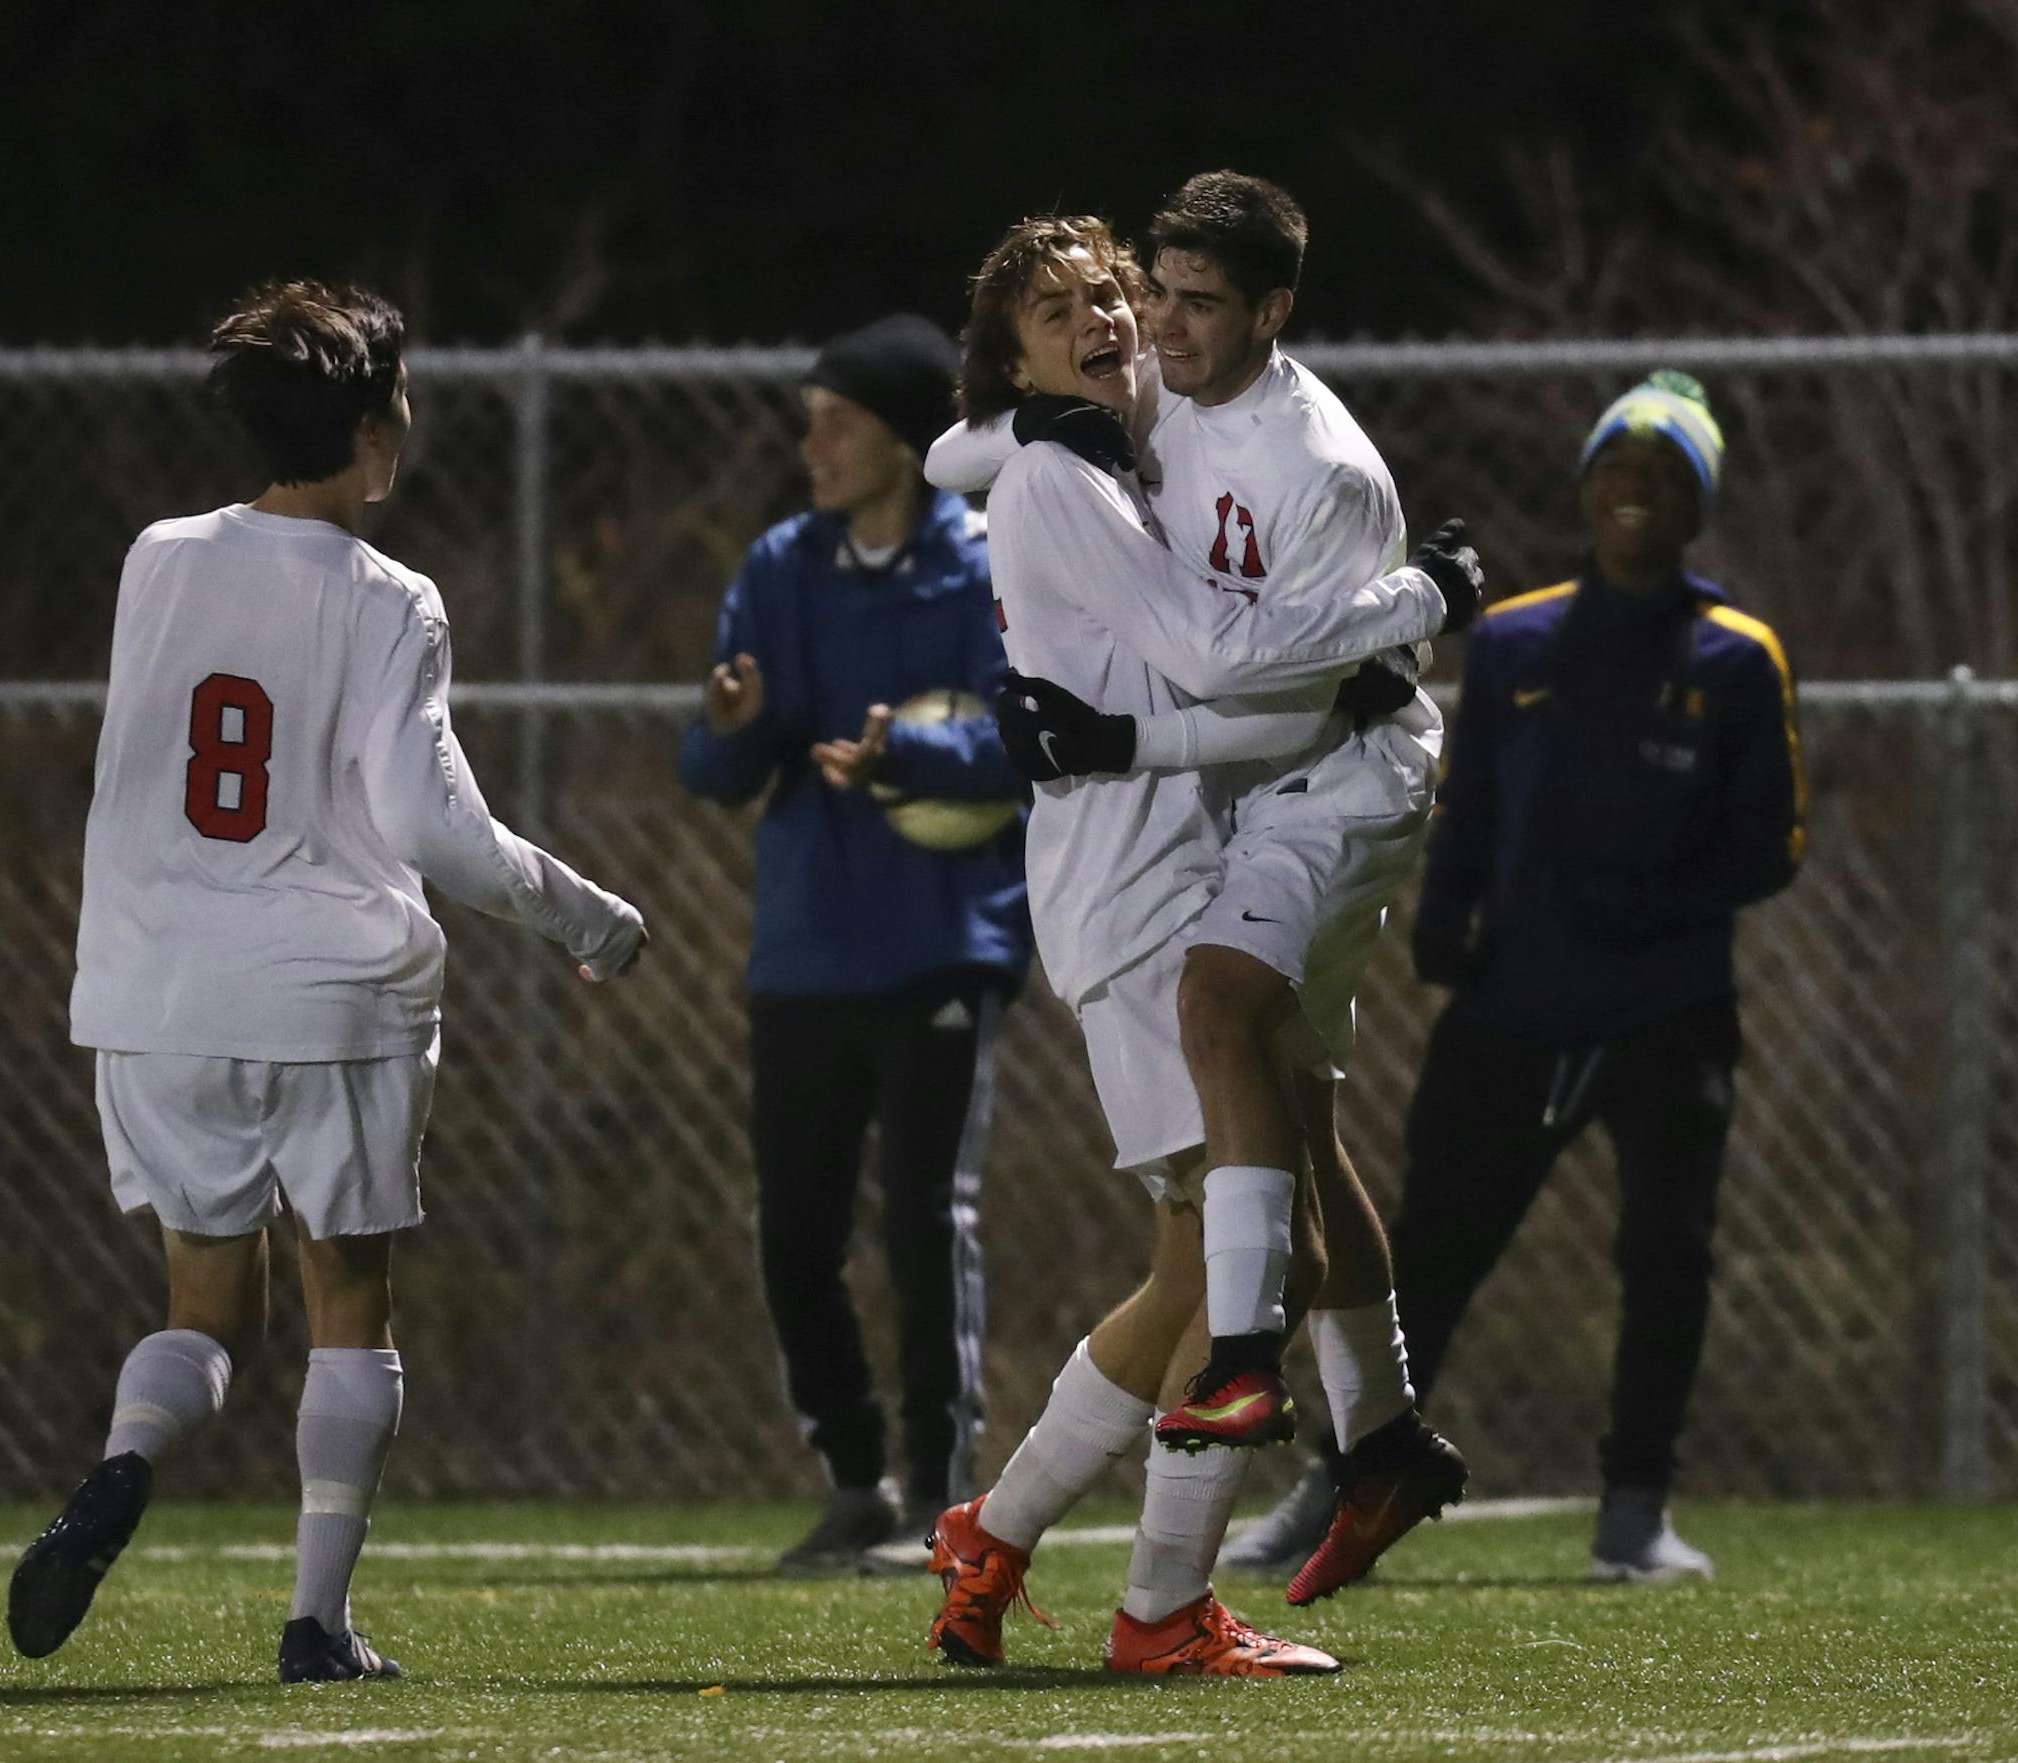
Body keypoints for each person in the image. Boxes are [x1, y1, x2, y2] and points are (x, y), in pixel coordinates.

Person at [7, 281, 646, 1682]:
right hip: (331, 996)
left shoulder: (157, 557)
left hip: (158, 992)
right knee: (348, 1301)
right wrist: (588, 916)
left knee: (202, 1306)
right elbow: (433, 830)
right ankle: (317, 1621)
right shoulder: (390, 597)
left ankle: (123, 1463)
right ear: (370, 433)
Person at [922, 213, 1476, 1677]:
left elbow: (954, 455)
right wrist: (1421, 604)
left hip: (1174, 858)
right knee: (1248, 1262)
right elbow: (1226, 661)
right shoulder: (1066, 474)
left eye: (1117, 289)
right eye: (1065, 308)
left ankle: (1007, 1528)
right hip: (1142, 878)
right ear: (1016, 361)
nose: (1113, 315)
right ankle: (1162, 1604)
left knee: (1222, 1239)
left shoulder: (1087, 447)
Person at [1234, 371, 1805, 1584]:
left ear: (1694, 503)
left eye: (1663, 473)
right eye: (1616, 467)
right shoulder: (1515, 639)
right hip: (1517, 1002)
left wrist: (1660, 896)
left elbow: (1775, 841)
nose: (1632, 490)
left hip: (1668, 1009)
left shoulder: (1738, 656)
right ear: (1588, 488)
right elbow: (1472, 800)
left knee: (1666, 1254)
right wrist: (1445, 926)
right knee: (1427, 1247)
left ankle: (1634, 1507)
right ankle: (1342, 1486)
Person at [676, 314, 1031, 1574]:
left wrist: (907, 756)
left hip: (944, 940)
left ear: (899, 437)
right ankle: (856, 1477)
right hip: (809, 949)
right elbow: (717, 767)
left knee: (929, 1219)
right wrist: (730, 727)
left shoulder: (985, 561)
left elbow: (1025, 739)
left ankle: (945, 1492)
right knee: (796, 1231)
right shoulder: (783, 565)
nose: (809, 443)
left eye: (834, 419)